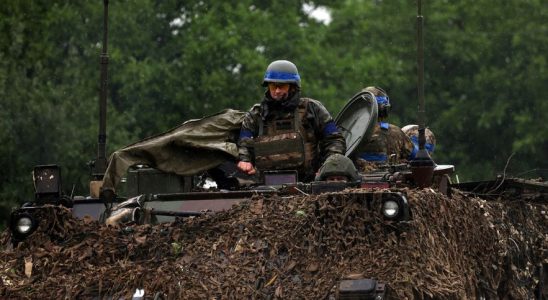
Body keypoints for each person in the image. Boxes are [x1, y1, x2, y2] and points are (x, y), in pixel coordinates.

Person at [237, 60, 346, 182]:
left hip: (309, 182)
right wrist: (245, 160)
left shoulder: (312, 109)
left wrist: (329, 166)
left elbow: (334, 139)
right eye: (273, 86)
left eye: (282, 86)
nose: (277, 91)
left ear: (293, 87)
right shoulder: (256, 114)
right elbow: (244, 142)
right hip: (266, 185)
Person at [354, 86, 416, 169]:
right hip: (388, 180)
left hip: (354, 180)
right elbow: (415, 157)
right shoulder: (395, 132)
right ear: (384, 110)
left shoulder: (348, 133)